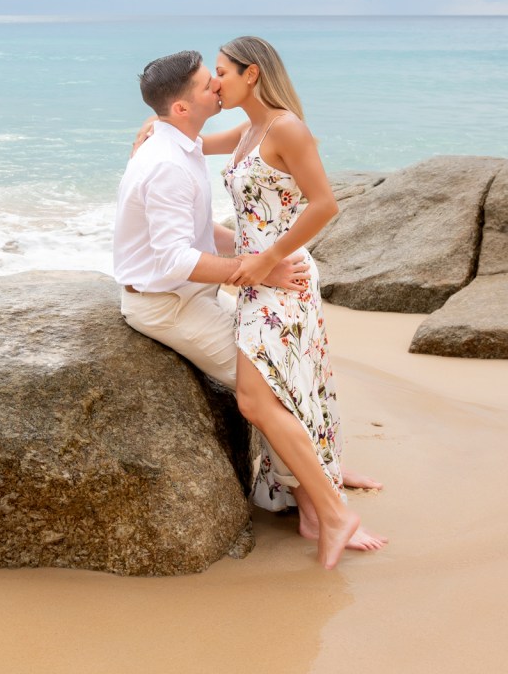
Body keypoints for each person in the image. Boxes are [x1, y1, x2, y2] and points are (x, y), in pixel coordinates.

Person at [114, 48, 385, 568]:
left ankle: (321, 481)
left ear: (251, 74)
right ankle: (320, 493)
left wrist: (264, 262)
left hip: (263, 276)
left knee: (281, 383)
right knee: (267, 391)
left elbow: (312, 204)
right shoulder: (182, 154)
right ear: (182, 108)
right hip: (176, 299)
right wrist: (256, 266)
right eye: (207, 81)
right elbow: (176, 256)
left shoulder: (198, 140)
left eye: (219, 73)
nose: (216, 85)